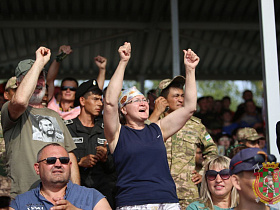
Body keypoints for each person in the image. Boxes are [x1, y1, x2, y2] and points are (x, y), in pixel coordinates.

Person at [103, 42, 199, 209]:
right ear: (124, 109)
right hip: (132, 202)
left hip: (167, 200)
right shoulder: (117, 133)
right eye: (136, 101)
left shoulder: (158, 129)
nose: (144, 103)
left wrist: (190, 70)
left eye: (144, 100)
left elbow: (189, 107)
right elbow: (110, 102)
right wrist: (123, 62)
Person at [1, 47, 80, 198]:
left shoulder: (55, 116)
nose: (38, 82)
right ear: (18, 83)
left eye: (41, 77)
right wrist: (38, 63)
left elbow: (70, 155)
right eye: (33, 77)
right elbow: (20, 100)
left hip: (58, 199)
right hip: (24, 197)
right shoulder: (10, 109)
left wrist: (76, 194)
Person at [148, 76, 218, 208]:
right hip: (158, 191)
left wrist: (203, 173)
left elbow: (212, 150)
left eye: (182, 95)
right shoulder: (152, 122)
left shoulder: (195, 125)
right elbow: (140, 140)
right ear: (163, 99)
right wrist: (156, 112)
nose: (180, 99)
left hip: (188, 194)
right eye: (176, 96)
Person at [10, 143, 111, 209]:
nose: (58, 164)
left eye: (64, 160)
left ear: (70, 166)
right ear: (37, 168)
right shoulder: (20, 203)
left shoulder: (92, 197)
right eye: (51, 160)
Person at [66, 79, 117, 209]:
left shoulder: (106, 128)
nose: (100, 103)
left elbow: (116, 166)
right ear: (82, 101)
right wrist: (78, 162)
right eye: (95, 99)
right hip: (75, 193)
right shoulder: (67, 128)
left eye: (101, 100)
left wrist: (106, 159)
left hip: (104, 194)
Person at [47, 45, 107, 120]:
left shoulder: (80, 111)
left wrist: (102, 69)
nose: (68, 90)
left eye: (72, 89)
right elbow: (50, 80)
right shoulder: (51, 105)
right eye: (64, 88)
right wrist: (59, 57)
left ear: (77, 91)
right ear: (60, 90)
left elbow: (96, 91)